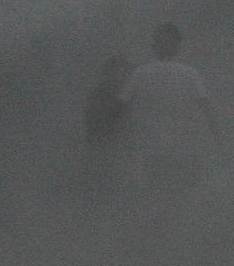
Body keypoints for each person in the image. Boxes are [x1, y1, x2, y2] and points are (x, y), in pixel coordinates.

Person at [119, 24, 216, 191]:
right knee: (181, 198)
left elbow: (121, 107)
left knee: (157, 196)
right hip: (180, 149)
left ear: (154, 46)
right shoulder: (190, 73)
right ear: (177, 47)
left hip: (156, 149)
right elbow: (206, 108)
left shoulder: (139, 73)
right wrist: (218, 137)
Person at [81, 54, 132, 185]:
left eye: (122, 72)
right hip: (101, 146)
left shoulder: (132, 94)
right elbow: (91, 120)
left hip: (125, 149)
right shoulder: (97, 94)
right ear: (106, 73)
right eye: (114, 71)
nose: (118, 76)